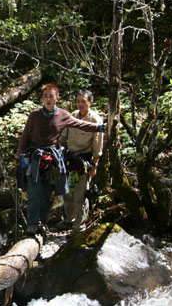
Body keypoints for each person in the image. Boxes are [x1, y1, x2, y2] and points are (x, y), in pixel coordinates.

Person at [15, 84, 105, 236]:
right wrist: (19, 154)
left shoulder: (64, 115)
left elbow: (81, 125)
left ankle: (41, 223)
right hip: (35, 158)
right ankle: (32, 224)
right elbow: (25, 136)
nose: (48, 99)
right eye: (45, 96)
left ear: (57, 98)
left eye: (51, 96)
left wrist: (100, 128)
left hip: (53, 161)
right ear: (42, 98)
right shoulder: (34, 115)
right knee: (34, 191)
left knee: (48, 193)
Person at [59, 88, 104, 233]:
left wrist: (94, 165)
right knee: (67, 192)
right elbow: (63, 137)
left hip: (85, 159)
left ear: (90, 102)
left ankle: (79, 225)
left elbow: (98, 146)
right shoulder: (72, 116)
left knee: (81, 194)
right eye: (78, 101)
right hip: (69, 158)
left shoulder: (95, 120)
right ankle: (68, 220)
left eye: (83, 101)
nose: (80, 104)